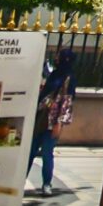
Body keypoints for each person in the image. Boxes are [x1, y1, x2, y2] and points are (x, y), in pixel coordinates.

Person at [28, 47, 77, 196]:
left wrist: (59, 123)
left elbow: (67, 102)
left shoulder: (69, 78)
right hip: (41, 118)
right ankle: (20, 180)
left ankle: (46, 184)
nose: (57, 59)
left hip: (53, 121)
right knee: (30, 151)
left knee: (47, 153)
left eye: (59, 56)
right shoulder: (54, 74)